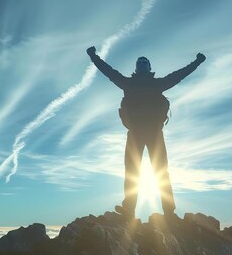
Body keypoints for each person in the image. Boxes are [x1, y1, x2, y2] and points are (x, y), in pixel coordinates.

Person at [86, 46, 206, 220]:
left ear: (149, 67)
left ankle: (169, 211)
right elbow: (108, 71)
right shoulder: (128, 83)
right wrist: (94, 57)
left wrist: (196, 62)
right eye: (139, 62)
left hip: (154, 134)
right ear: (136, 67)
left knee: (161, 171)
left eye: (145, 62)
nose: (142, 64)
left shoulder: (157, 84)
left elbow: (179, 75)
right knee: (132, 172)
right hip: (135, 134)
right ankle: (129, 209)